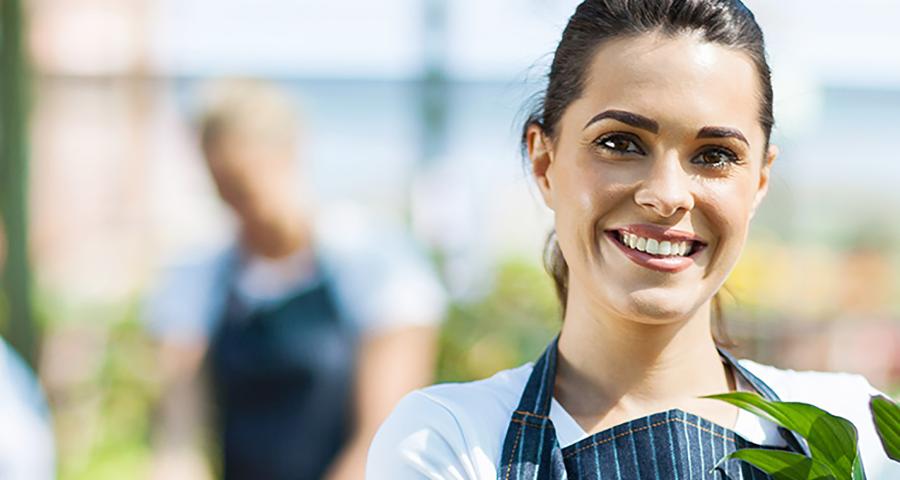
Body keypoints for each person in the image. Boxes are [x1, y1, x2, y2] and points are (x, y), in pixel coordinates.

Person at [367, 1, 899, 479]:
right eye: (620, 143)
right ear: (544, 161)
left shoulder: (859, 434)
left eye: (714, 155)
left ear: (759, 181)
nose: (667, 195)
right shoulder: (451, 440)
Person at [144, 80, 445, 480]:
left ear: (288, 153)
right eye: (223, 188)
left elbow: (383, 438)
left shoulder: (377, 264)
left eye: (244, 186)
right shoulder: (198, 279)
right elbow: (180, 433)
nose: (236, 205)